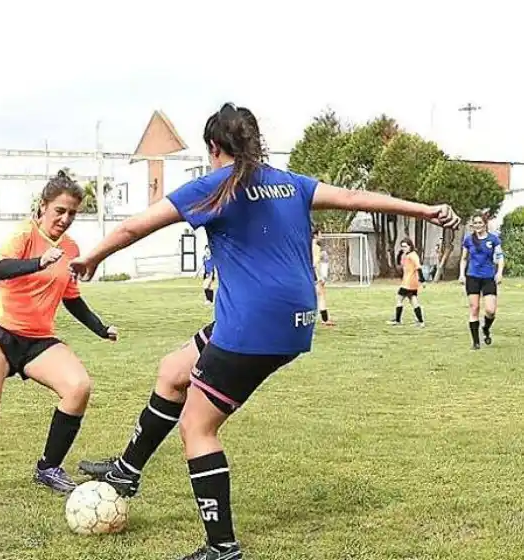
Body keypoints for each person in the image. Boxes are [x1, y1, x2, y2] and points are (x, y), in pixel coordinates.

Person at [70, 103, 460, 560]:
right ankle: (127, 470)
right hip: (294, 320)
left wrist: (92, 257)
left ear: (213, 147)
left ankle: (222, 547)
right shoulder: (290, 183)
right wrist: (426, 211)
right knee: (174, 370)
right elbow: (355, 198)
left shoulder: (214, 186)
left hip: (251, 324)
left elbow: (134, 226)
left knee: (198, 426)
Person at [0, 170, 118, 503]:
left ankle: (48, 467)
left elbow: (71, 297)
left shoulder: (71, 248)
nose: (65, 218)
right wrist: (38, 262)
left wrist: (101, 328)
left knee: (78, 387)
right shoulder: (24, 234)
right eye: (60, 210)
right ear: (43, 206)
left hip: (37, 338)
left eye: (72, 213)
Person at [459, 212, 503, 349]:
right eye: (475, 223)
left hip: (488, 277)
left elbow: (500, 257)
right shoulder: (468, 240)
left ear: (485, 224)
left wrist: (499, 272)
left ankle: (486, 328)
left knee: (490, 310)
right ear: (472, 225)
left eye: (480, 222)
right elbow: (464, 259)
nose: (477, 225)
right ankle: (476, 342)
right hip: (472, 277)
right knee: (474, 308)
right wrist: (462, 274)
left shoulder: (493, 239)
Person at [388, 237, 425, 327]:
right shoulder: (407, 255)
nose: (403, 248)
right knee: (413, 300)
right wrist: (400, 254)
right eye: (402, 246)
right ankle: (421, 322)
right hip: (410, 282)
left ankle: (398, 320)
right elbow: (400, 264)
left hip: (409, 282)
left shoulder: (413, 255)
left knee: (399, 298)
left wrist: (422, 280)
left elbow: (418, 267)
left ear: (410, 246)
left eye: (405, 246)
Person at [312, 228, 334, 326]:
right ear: (315, 235)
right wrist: (320, 276)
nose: (321, 237)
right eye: (320, 234)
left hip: (306, 272)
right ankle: (325, 320)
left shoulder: (306, 246)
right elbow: (315, 263)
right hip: (313, 273)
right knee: (321, 295)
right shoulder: (316, 247)